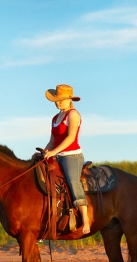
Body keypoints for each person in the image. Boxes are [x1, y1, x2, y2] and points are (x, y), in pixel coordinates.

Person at [35, 84, 90, 234]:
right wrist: (45, 152)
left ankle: (85, 219)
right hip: (57, 154)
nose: (58, 102)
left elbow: (71, 138)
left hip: (72, 155)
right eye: (56, 100)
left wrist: (53, 152)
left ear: (69, 99)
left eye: (61, 100)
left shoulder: (73, 115)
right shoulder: (55, 118)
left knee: (73, 180)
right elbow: (52, 140)